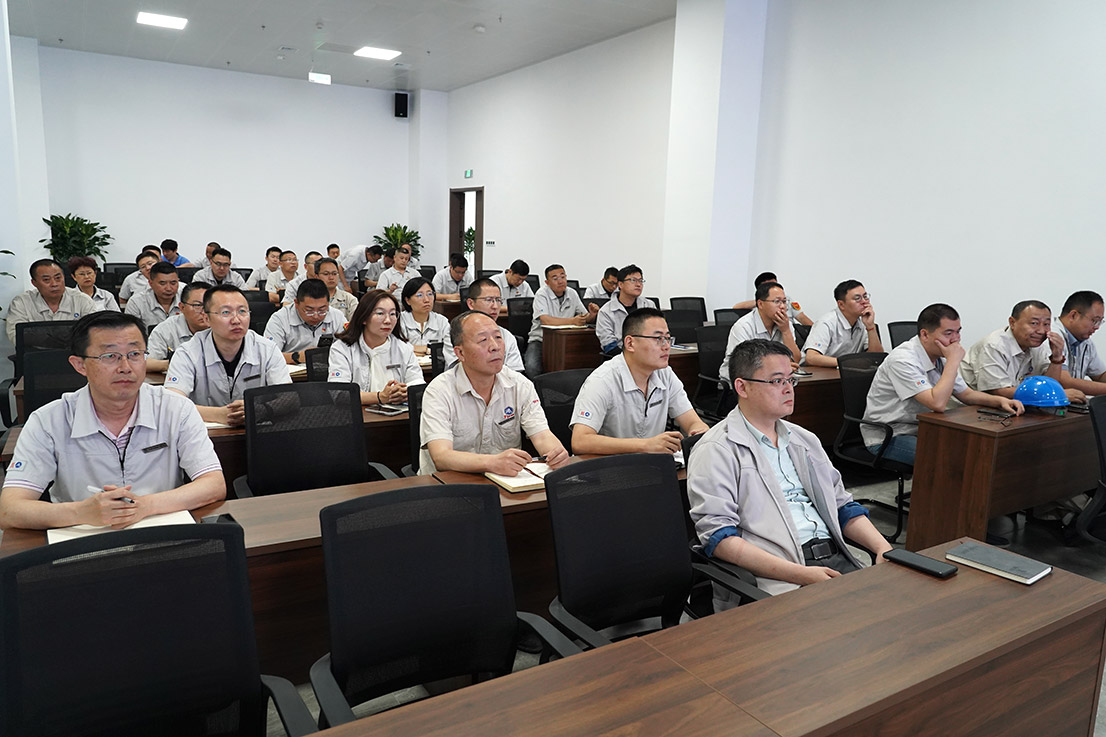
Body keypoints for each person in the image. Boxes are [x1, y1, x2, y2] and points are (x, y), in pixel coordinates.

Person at [687, 339, 893, 603]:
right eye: (777, 381)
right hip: (777, 574)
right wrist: (801, 574)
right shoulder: (716, 449)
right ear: (742, 387)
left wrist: (882, 548)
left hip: (835, 559)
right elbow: (719, 538)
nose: (788, 389)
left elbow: (842, 506)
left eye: (790, 380)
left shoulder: (804, 439)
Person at [0, 311, 225, 530]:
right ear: (79, 365)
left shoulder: (176, 409)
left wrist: (144, 506)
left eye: (135, 354)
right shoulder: (48, 421)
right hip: (82, 538)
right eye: (109, 356)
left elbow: (214, 484)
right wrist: (81, 513)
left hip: (160, 531)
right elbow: (9, 509)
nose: (125, 367)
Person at [862, 303, 1024, 464]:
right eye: (948, 333)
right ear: (925, 335)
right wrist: (953, 361)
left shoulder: (940, 356)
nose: (955, 339)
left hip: (924, 428)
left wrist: (1001, 401)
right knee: (950, 459)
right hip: (889, 435)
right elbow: (937, 404)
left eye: (958, 332)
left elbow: (966, 394)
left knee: (979, 448)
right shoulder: (903, 360)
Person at [420, 310, 569, 475]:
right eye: (483, 340)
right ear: (460, 353)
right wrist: (491, 462)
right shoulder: (439, 391)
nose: (495, 346)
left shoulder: (520, 384)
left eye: (498, 337)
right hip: (448, 483)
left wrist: (556, 454)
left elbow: (541, 435)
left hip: (504, 481)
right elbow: (441, 457)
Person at [571, 307, 708, 456]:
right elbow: (580, 441)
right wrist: (646, 445)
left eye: (668, 338)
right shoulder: (602, 381)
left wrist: (699, 431)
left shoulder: (665, 374)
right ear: (630, 343)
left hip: (652, 463)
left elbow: (692, 421)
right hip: (610, 464)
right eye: (658, 339)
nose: (667, 346)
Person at [165, 284, 292, 426]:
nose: (236, 320)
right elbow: (172, 404)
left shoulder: (267, 349)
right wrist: (219, 415)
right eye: (226, 312)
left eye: (242, 311)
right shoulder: (187, 353)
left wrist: (258, 410)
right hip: (203, 434)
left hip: (257, 431)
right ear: (206, 318)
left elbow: (289, 397)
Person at [960, 300, 1085, 403]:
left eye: (1046, 324)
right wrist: (1055, 395)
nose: (1041, 331)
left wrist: (1057, 358)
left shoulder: (1039, 345)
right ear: (1012, 323)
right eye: (1034, 323)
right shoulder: (994, 345)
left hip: (1013, 405)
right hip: (967, 410)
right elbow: (998, 391)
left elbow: (1049, 382)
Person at [328, 289, 424, 406]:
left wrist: (405, 392)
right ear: (364, 318)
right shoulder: (342, 349)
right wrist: (380, 397)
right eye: (380, 313)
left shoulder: (404, 348)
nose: (388, 320)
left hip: (397, 412)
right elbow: (339, 393)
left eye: (392, 314)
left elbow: (418, 383)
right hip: (357, 414)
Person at [719, 281, 801, 382]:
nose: (783, 306)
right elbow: (742, 365)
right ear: (760, 304)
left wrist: (786, 331)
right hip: (741, 383)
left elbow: (795, 360)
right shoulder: (744, 326)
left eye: (784, 301)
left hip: (774, 382)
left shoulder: (786, 324)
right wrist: (778, 367)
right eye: (777, 301)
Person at [524, 263, 596, 376]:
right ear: (547, 282)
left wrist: (592, 315)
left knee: (579, 363)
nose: (560, 281)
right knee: (532, 367)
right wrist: (572, 321)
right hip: (541, 340)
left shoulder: (572, 293)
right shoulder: (541, 294)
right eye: (555, 278)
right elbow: (545, 320)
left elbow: (584, 318)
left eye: (563, 277)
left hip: (567, 340)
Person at [441, 278, 525, 372]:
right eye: (489, 300)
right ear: (471, 303)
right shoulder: (455, 332)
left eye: (498, 300)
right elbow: (464, 369)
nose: (495, 306)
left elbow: (515, 373)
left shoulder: (507, 336)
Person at [5, 259, 96, 344]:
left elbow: (93, 332)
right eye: (46, 280)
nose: (54, 284)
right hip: (35, 353)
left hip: (75, 352)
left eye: (58, 278)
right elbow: (16, 335)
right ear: (34, 283)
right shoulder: (21, 302)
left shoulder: (82, 300)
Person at [264, 278, 347, 364]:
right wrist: (297, 357)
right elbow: (269, 356)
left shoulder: (337, 316)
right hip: (291, 370)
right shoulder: (279, 319)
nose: (316, 316)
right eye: (309, 310)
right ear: (296, 303)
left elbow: (349, 348)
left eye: (322, 310)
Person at [803, 279, 883, 367]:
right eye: (857, 298)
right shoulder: (826, 323)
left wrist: (870, 327)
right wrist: (847, 363)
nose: (864, 301)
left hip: (845, 372)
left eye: (865, 296)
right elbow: (811, 358)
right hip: (819, 372)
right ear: (841, 305)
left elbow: (877, 358)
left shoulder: (863, 322)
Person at [147, 281, 210, 372]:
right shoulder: (166, 329)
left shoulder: (223, 326)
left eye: (208, 305)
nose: (204, 311)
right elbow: (147, 362)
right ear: (182, 307)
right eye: (197, 305)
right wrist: (178, 363)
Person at [595, 264, 658, 353]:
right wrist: (632, 358)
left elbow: (658, 333)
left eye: (640, 281)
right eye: (633, 280)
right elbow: (609, 345)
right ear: (620, 284)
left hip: (648, 353)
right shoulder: (606, 311)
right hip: (619, 356)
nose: (638, 284)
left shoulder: (649, 305)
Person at [1055, 290, 1106, 397]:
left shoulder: (1086, 342)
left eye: (1100, 322)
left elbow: (1100, 375)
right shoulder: (1053, 336)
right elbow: (1064, 382)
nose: (1097, 327)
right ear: (1073, 315)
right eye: (1094, 321)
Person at [732, 271, 813, 327]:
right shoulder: (759, 305)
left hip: (788, 333)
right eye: (776, 301)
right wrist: (764, 301)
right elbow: (736, 307)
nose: (782, 305)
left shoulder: (788, 300)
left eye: (775, 284)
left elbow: (802, 318)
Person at [400, 277, 450, 355]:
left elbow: (449, 349)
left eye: (430, 294)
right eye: (420, 295)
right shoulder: (399, 320)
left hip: (436, 363)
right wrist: (427, 349)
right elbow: (398, 348)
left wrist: (418, 349)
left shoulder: (442, 321)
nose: (426, 300)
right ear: (407, 300)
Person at [124, 262, 183, 327]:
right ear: (151, 283)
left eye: (173, 283)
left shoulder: (186, 298)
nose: (168, 288)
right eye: (162, 283)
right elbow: (129, 330)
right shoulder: (136, 302)